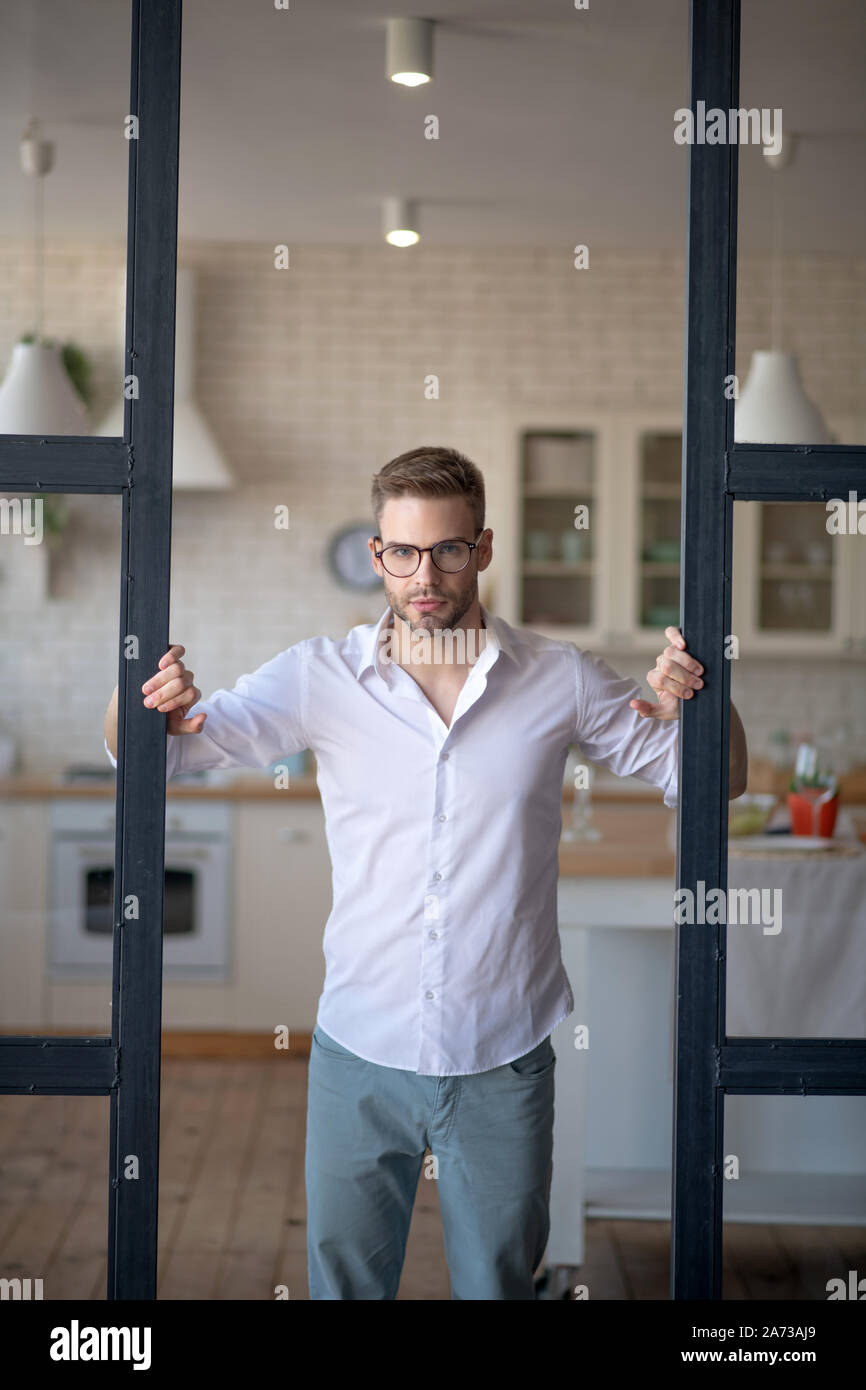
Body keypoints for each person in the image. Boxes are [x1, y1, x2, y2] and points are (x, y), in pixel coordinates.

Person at [103, 445, 748, 1300]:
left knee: (498, 1289)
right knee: (345, 1289)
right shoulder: (317, 678)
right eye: (403, 553)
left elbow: (716, 781)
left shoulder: (559, 678)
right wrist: (141, 697)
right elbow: (147, 757)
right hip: (358, 1052)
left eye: (447, 549)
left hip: (504, 1054)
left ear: (482, 548)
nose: (425, 575)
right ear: (378, 556)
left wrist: (707, 701)